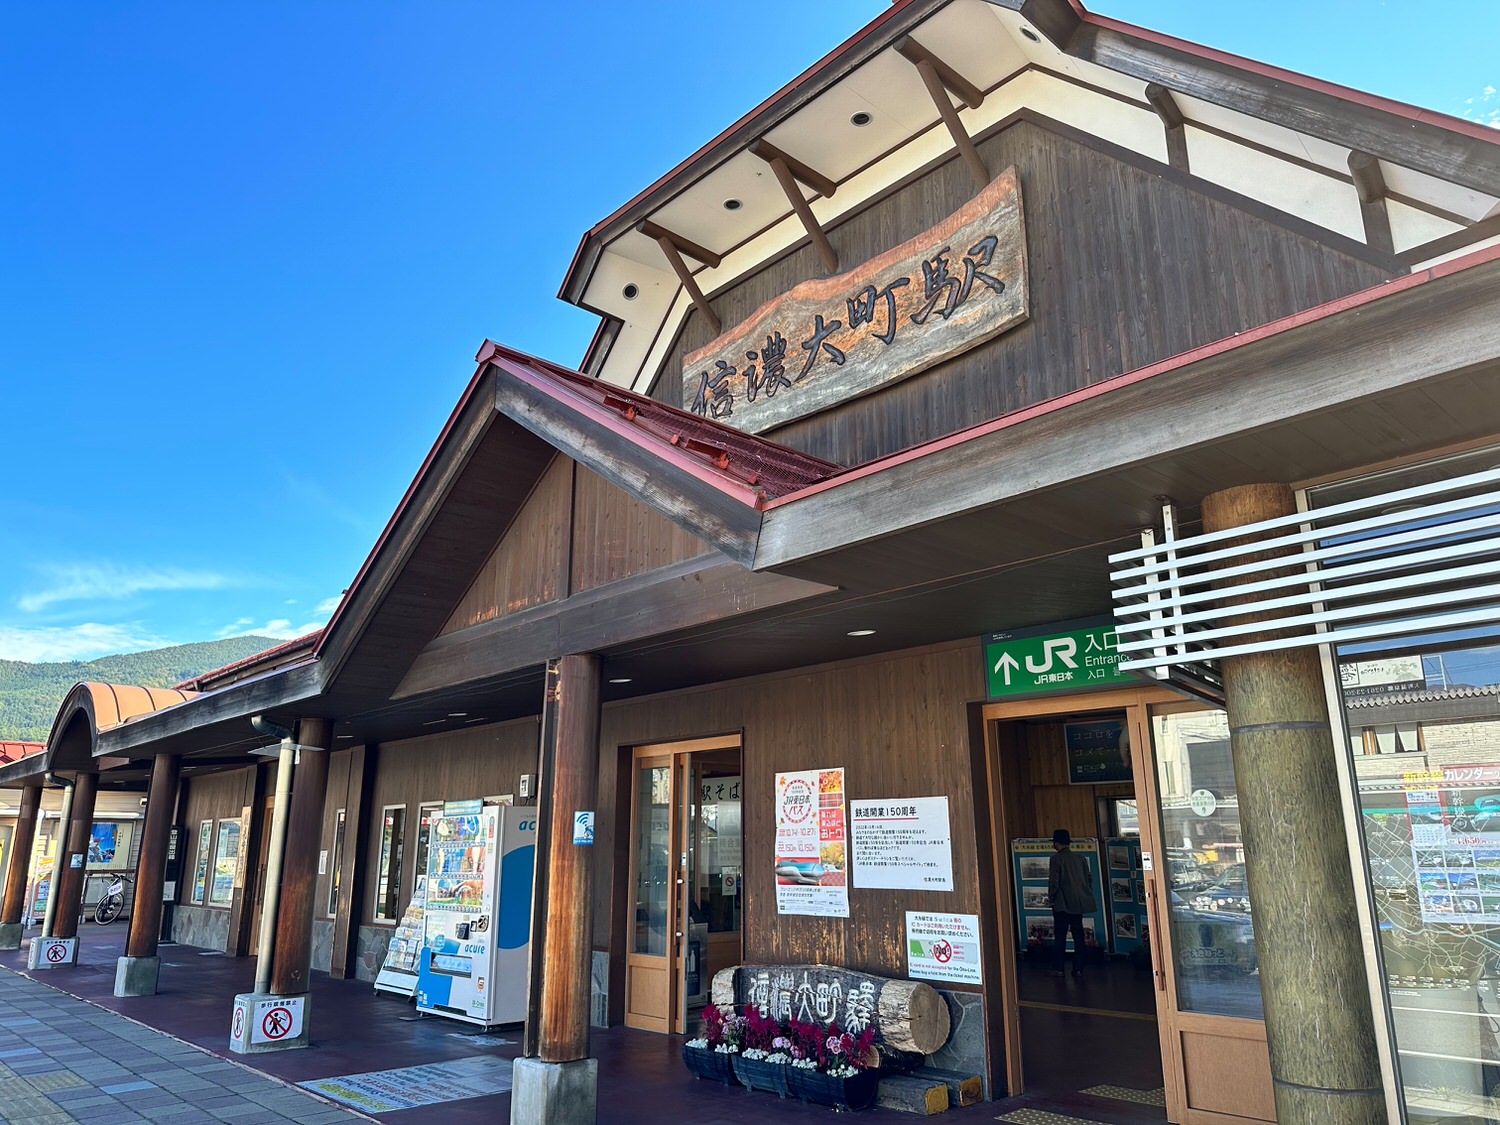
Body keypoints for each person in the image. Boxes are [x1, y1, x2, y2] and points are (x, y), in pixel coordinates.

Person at [1048, 828, 1095, 977]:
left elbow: (1054, 882)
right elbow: (1089, 880)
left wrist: (1051, 898)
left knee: (1060, 937)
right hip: (1078, 903)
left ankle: (1059, 968)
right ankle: (1079, 968)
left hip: (1062, 904)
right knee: (1078, 936)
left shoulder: (1056, 859)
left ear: (1056, 843)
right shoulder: (1080, 859)